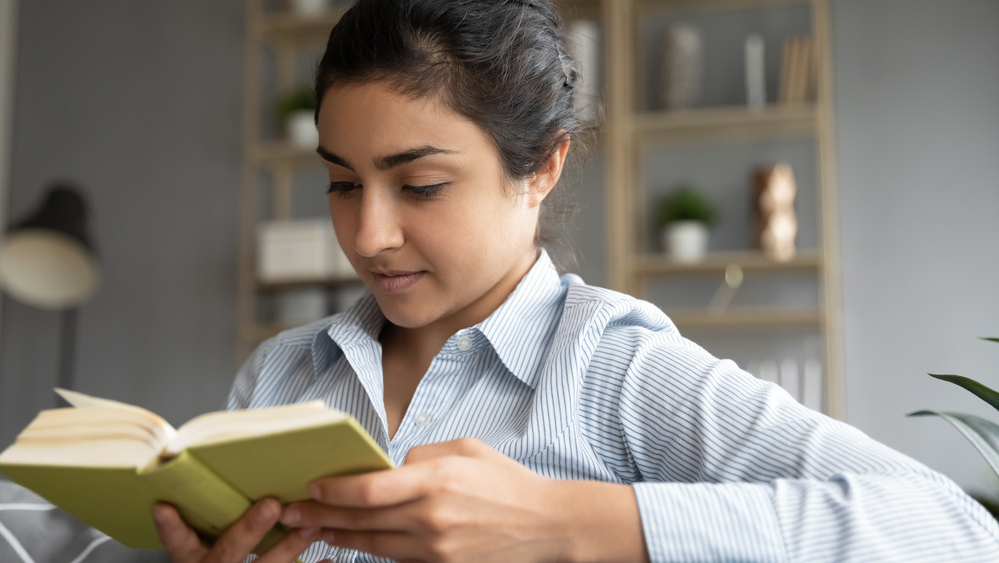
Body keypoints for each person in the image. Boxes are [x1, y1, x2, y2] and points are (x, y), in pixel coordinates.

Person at [153, 0, 999, 561]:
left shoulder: (614, 369)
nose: (369, 234)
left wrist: (564, 522)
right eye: (342, 183)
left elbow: (953, 531)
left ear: (543, 166)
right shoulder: (278, 376)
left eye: (420, 185)